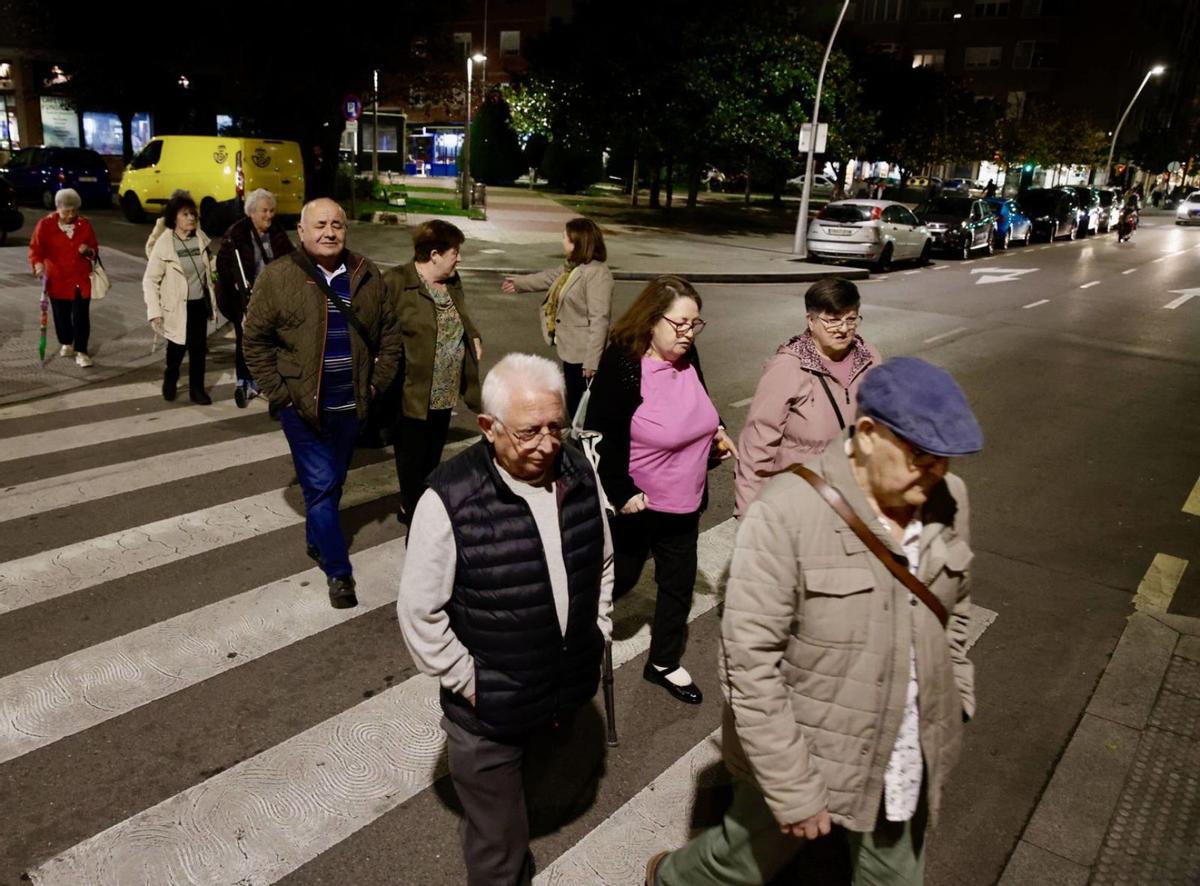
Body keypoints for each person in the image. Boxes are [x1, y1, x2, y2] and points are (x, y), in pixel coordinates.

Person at [645, 357, 983, 886]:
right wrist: (792, 785)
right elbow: (747, 664)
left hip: (901, 751)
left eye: (945, 459)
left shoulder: (948, 499)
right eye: (920, 455)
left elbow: (954, 607)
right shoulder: (787, 513)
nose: (936, 471)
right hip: (809, 747)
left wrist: (956, 689)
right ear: (868, 435)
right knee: (737, 865)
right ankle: (672, 879)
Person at [398, 353, 613, 886]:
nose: (545, 444)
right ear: (489, 428)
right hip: (489, 713)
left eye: (555, 427)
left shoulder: (577, 468)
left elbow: (603, 558)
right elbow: (419, 612)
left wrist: (598, 627)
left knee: (531, 794)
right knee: (498, 848)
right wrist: (472, 684)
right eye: (528, 432)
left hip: (559, 690)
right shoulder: (448, 497)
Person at [242, 198, 403, 608]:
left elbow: (389, 336)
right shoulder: (279, 277)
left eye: (337, 224)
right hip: (303, 409)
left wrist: (374, 386)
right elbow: (254, 340)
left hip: (352, 406)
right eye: (320, 225)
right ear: (301, 230)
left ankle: (317, 539)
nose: (329, 232)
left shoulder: (366, 274)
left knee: (331, 485)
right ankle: (338, 572)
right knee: (320, 486)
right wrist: (280, 395)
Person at [584, 275, 737, 706]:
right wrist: (620, 490)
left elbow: (701, 405)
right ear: (653, 321)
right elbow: (601, 432)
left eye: (695, 324)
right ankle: (570, 637)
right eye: (680, 324)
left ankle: (663, 662)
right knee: (621, 580)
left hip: (684, 501)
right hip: (638, 504)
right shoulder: (624, 363)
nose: (689, 334)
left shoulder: (688, 357)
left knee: (678, 586)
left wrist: (717, 434)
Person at [734, 278, 881, 517]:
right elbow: (757, 446)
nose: (843, 329)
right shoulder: (788, 368)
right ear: (811, 321)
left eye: (851, 319)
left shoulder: (870, 358)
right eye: (832, 320)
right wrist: (749, 513)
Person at [380, 219, 483, 525]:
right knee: (411, 457)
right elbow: (375, 326)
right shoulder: (396, 281)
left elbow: (461, 315)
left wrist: (474, 335)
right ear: (435, 254)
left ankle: (420, 505)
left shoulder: (452, 281)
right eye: (455, 252)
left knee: (432, 456)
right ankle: (413, 512)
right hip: (413, 391)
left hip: (445, 390)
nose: (459, 258)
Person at [501, 217, 613, 418]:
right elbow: (548, 277)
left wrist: (592, 361)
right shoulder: (572, 268)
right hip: (570, 349)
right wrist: (519, 283)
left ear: (578, 242)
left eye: (565, 238)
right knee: (574, 405)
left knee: (582, 409)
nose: (562, 241)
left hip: (583, 354)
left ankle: (583, 446)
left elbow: (600, 319)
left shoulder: (596, 273)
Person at [215, 188, 296, 407]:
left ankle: (269, 382)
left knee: (272, 340)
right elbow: (222, 264)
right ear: (251, 212)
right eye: (264, 211)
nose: (269, 215)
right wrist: (234, 281)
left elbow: (291, 258)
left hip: (271, 298)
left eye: (271, 211)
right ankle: (244, 380)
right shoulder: (236, 233)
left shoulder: (276, 232)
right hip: (243, 299)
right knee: (245, 339)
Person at [143, 193, 217, 403]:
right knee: (176, 350)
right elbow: (150, 280)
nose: (191, 218)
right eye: (185, 214)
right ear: (174, 218)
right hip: (176, 307)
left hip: (199, 305)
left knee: (198, 350)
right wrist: (154, 312)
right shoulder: (165, 244)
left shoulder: (200, 238)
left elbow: (210, 264)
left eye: (193, 214)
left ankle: (197, 390)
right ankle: (171, 377)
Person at [28, 188, 99, 367]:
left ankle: (82, 351)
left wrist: (88, 251)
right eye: (67, 211)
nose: (71, 215)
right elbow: (35, 250)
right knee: (61, 315)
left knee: (81, 316)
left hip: (80, 279)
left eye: (74, 210)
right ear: (58, 208)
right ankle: (67, 341)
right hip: (57, 279)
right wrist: (37, 265)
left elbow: (94, 250)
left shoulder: (84, 225)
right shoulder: (45, 225)